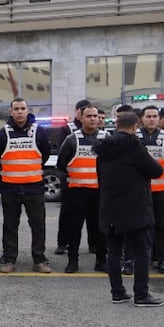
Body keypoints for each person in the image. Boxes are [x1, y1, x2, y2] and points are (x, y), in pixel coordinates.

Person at [94, 111, 164, 306]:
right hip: (135, 208)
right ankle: (141, 294)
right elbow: (156, 171)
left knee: (114, 251)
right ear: (135, 127)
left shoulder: (103, 149)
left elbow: (100, 177)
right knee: (142, 250)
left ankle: (117, 292)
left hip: (110, 206)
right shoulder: (134, 146)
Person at [0, 98, 52, 273]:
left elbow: (45, 155)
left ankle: (39, 260)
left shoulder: (39, 132)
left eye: (23, 108)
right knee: (10, 226)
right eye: (16, 109)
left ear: (27, 110)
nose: (19, 112)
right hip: (10, 188)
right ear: (11, 112)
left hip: (34, 187)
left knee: (38, 224)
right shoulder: (2, 133)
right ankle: (9, 259)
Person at [57, 107, 107, 273]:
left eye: (95, 116)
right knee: (74, 229)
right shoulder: (72, 139)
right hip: (77, 192)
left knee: (100, 229)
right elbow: (61, 164)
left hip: (100, 192)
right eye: (89, 116)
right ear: (82, 118)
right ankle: (73, 261)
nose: (93, 119)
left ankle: (101, 260)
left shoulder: (106, 138)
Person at [137, 106, 164, 273]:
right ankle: (139, 258)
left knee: (160, 226)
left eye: (154, 116)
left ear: (159, 119)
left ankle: (161, 259)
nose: (151, 119)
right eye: (148, 116)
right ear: (142, 119)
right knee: (139, 226)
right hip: (139, 191)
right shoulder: (134, 137)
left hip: (161, 190)